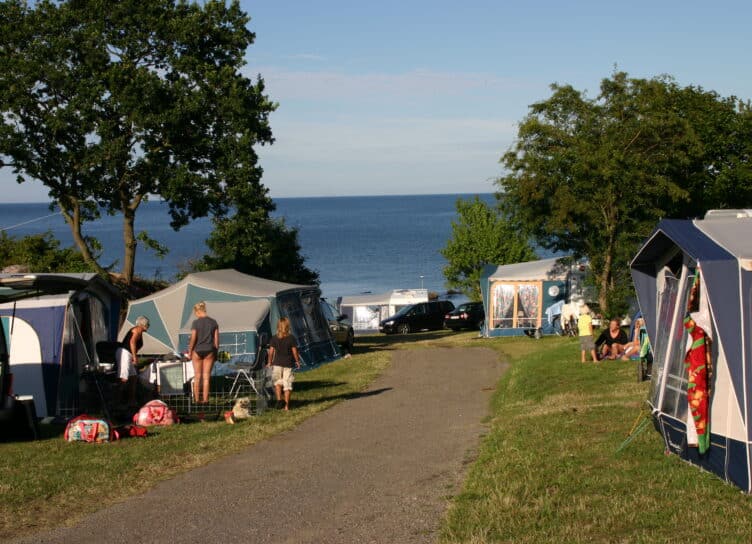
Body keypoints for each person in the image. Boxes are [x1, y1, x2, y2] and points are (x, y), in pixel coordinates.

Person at [187, 301, 219, 404]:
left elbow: (193, 338)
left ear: (197, 311)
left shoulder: (195, 323)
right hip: (209, 350)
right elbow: (216, 342)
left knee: (197, 376)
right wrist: (216, 354)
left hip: (198, 350)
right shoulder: (214, 322)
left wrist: (190, 351)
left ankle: (196, 400)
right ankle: (205, 400)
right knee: (206, 377)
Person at [266, 317, 301, 411]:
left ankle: (279, 401)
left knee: (277, 383)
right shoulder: (291, 338)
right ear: (287, 326)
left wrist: (269, 362)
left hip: (277, 363)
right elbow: (294, 352)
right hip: (288, 364)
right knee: (287, 384)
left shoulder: (274, 338)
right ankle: (286, 406)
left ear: (278, 326)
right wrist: (297, 361)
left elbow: (271, 352)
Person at [117, 315, 150, 408]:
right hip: (125, 353)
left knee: (133, 377)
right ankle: (117, 401)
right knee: (124, 377)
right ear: (142, 324)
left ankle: (131, 400)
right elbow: (132, 342)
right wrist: (135, 357)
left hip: (128, 354)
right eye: (147, 324)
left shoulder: (139, 331)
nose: (148, 326)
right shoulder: (137, 330)